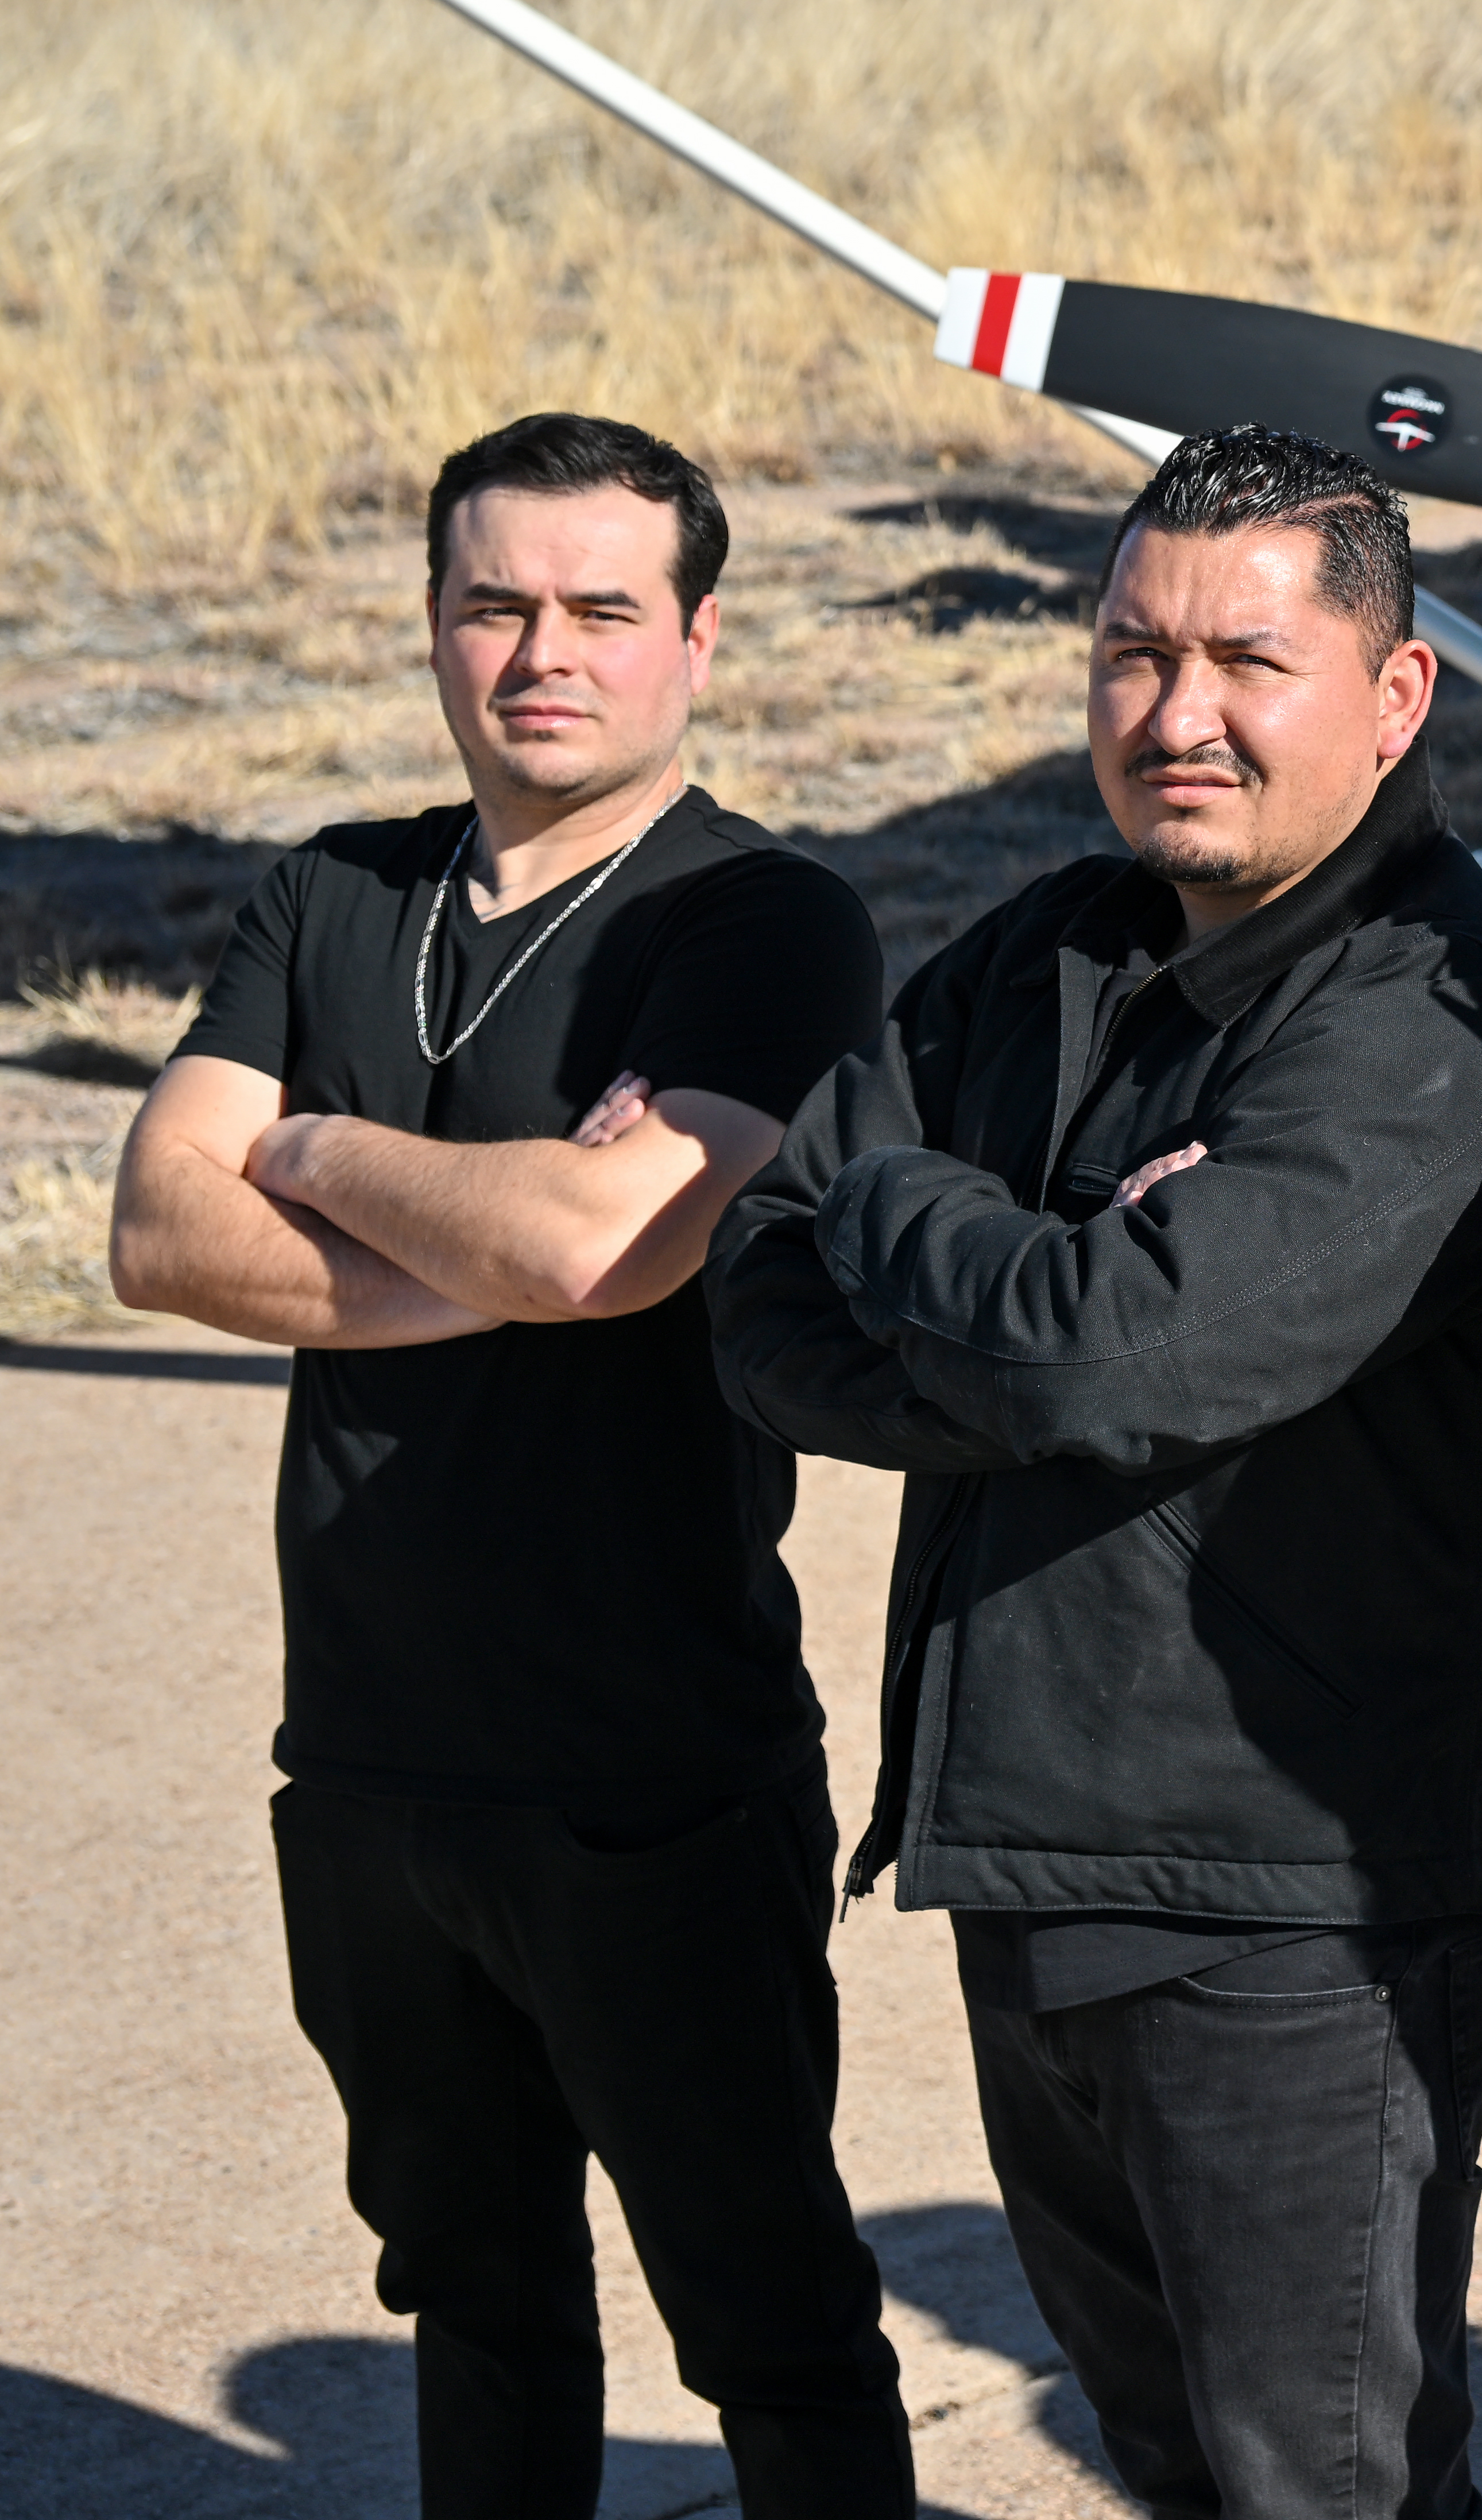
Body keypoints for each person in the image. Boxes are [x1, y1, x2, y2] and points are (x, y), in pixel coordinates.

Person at [701, 428, 1482, 2520]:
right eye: (1130, 652)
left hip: (1295, 1910)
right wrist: (1027, 1315)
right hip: (1028, 1864)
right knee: (1175, 2477)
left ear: (1394, 701)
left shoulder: (1437, 1025)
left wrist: (930, 1237)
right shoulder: (1038, 951)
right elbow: (765, 1296)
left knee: (1332, 2492)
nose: (1174, 713)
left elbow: (1123, 1349)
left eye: (1245, 662)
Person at [106, 413, 909, 2519]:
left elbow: (603, 1240)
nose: (541, 651)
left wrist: (309, 1150)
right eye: (494, 605)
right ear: (438, 628)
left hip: (653, 1768)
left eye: (600, 609)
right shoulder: (333, 890)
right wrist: (488, 1246)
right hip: (367, 1762)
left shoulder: (762, 919)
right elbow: (151, 1231)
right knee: (472, 2301)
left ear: (699, 640)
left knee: (771, 2323)